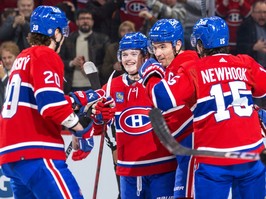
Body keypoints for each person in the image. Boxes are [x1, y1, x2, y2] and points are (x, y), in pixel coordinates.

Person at [140, 16, 266, 199]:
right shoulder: (245, 62)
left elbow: (163, 99)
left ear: (199, 45)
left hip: (214, 158)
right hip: (251, 154)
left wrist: (150, 75)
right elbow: (262, 90)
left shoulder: (194, 69)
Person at [0, 5, 106, 198]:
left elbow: (39, 100)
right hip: (36, 151)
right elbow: (51, 106)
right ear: (56, 32)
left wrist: (79, 98)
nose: (64, 38)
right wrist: (80, 128)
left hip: (11, 156)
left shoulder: (22, 57)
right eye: (63, 32)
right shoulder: (46, 55)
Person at [93, 32, 177, 199]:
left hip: (162, 168)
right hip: (129, 171)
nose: (128, 59)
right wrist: (99, 116)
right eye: (124, 54)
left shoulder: (159, 82)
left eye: (134, 53)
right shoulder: (111, 86)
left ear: (146, 56)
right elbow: (98, 125)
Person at [140, 18, 199, 199]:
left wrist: (150, 77)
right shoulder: (173, 67)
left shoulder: (187, 62)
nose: (158, 53)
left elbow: (163, 99)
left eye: (163, 47)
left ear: (178, 44)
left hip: (194, 147)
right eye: (155, 47)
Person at [59, 8, 110, 93]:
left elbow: (107, 63)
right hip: (71, 86)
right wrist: (72, 63)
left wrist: (93, 70)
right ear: (77, 21)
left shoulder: (103, 39)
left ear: (92, 22)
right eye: (82, 18)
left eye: (88, 18)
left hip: (94, 85)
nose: (85, 21)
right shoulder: (67, 39)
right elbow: (58, 59)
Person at [236, 0, 266, 107]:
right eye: (259, 12)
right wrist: (253, 47)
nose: (263, 15)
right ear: (252, 12)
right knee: (256, 106)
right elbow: (238, 49)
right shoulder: (245, 26)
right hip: (253, 74)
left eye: (265, 12)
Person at [0, 41, 20, 110]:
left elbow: (15, 92)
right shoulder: (2, 72)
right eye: (4, 58)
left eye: (10, 57)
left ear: (16, 57)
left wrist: (4, 78)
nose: (7, 61)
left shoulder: (20, 72)